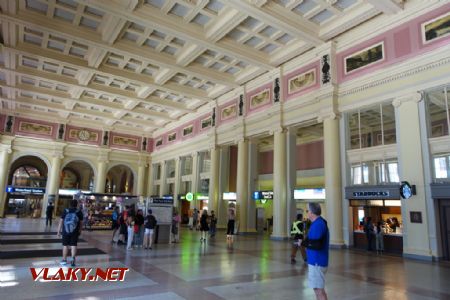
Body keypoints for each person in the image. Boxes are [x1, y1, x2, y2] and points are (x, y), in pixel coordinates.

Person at [301, 203, 329, 300]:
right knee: (317, 289)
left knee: (319, 290)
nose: (307, 213)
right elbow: (312, 240)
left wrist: (304, 244)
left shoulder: (318, 224)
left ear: (312, 212)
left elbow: (317, 244)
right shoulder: (317, 223)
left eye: (307, 211)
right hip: (315, 261)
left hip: (317, 262)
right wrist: (304, 242)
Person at [57, 199, 83, 267]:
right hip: (75, 231)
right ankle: (73, 261)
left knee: (65, 245)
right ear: (76, 204)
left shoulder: (66, 211)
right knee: (73, 245)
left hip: (65, 231)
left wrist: (58, 231)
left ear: (70, 204)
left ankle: (64, 260)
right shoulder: (79, 212)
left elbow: (61, 221)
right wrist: (80, 230)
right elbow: (81, 223)